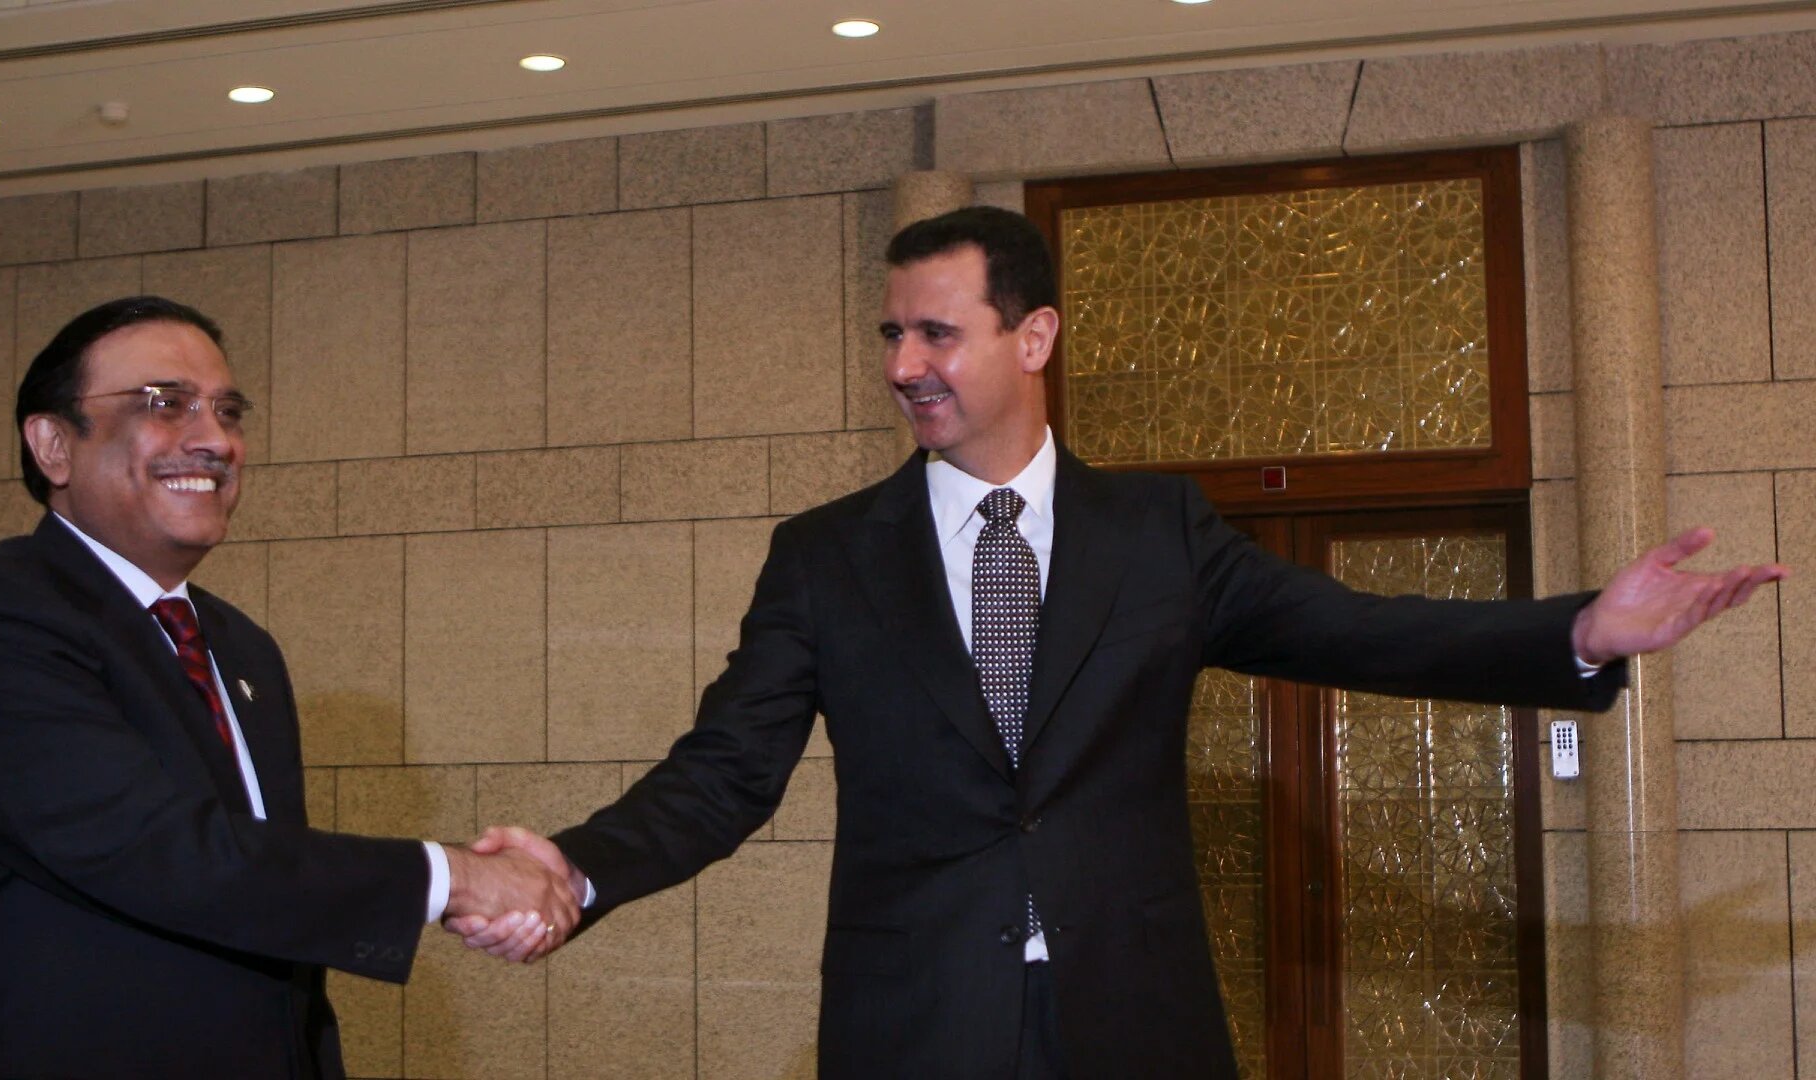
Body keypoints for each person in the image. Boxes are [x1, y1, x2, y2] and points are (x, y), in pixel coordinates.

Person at [453, 207, 1786, 1077]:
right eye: (890, 333)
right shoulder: (826, 555)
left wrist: (1581, 631)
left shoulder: (1159, 534)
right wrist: (578, 867)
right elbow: (724, 772)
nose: (905, 361)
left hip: (1134, 1023)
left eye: (937, 330)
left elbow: (1359, 633)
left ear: (1033, 335)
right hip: (914, 1027)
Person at [0, 296, 579, 1079]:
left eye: (228, 411)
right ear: (53, 444)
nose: (214, 439)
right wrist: (455, 879)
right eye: (165, 403)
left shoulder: (241, 646)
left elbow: (265, 893)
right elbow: (156, 851)